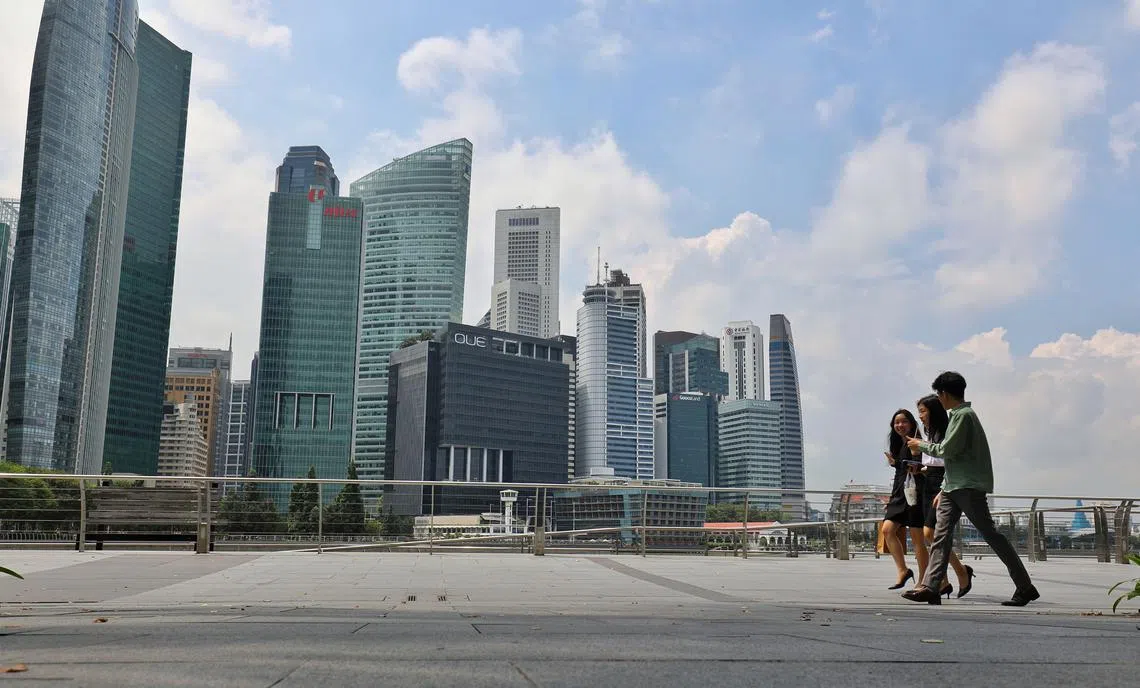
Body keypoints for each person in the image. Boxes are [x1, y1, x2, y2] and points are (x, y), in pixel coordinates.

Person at [902, 372, 1040, 606]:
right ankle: (931, 587)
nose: (939, 399)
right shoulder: (958, 415)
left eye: (939, 394)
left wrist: (920, 445)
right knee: (940, 536)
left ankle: (1025, 587)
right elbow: (953, 457)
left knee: (990, 535)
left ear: (944, 394)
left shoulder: (964, 416)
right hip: (952, 486)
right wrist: (943, 488)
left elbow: (947, 450)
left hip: (968, 486)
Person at [913, 394, 974, 598]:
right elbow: (934, 460)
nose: (920, 416)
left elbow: (950, 460)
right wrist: (920, 468)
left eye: (923, 411)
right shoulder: (930, 432)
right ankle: (943, 581)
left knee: (931, 533)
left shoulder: (948, 430)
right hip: (929, 481)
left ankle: (959, 571)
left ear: (934, 411)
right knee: (932, 534)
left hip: (943, 482)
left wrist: (943, 488)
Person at [881, 409, 929, 589]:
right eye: (896, 422)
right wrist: (896, 465)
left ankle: (923, 580)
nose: (900, 425)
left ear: (912, 424)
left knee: (917, 539)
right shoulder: (899, 445)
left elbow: (923, 467)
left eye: (904, 422)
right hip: (900, 494)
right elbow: (901, 474)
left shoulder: (916, 442)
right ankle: (903, 570)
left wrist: (907, 461)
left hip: (915, 494)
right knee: (887, 530)